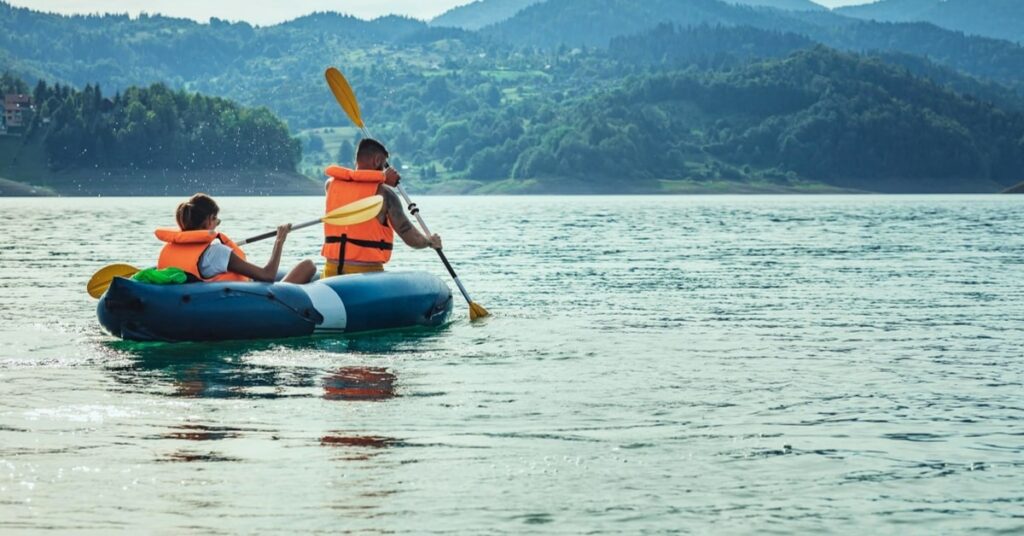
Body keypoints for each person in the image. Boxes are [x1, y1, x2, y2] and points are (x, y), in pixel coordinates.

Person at [321, 138, 441, 277]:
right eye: (384, 164)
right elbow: (410, 237)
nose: (384, 168)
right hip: (365, 274)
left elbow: (357, 181)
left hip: (331, 272)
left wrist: (382, 177)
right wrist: (429, 242)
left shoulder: (330, 185)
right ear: (377, 160)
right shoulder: (386, 194)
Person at [155, 193, 316, 283]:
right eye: (216, 220)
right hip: (245, 304)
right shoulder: (217, 253)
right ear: (208, 220)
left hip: (189, 301)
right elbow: (268, 276)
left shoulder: (169, 248)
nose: (217, 224)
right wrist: (279, 241)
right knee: (308, 266)